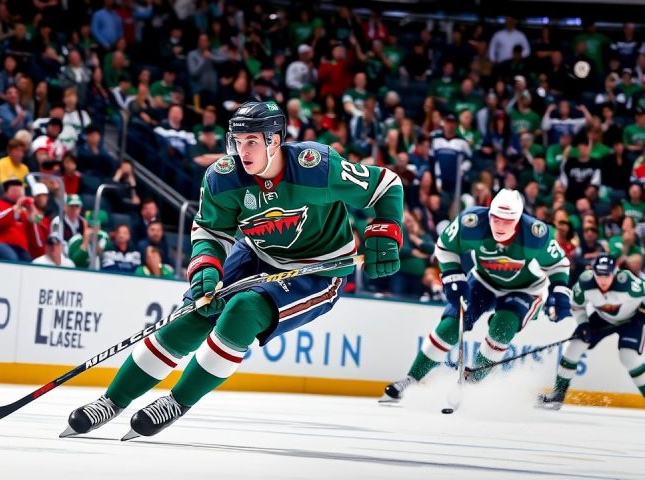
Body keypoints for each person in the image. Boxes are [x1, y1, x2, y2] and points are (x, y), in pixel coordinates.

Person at [63, 101, 404, 439]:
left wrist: (386, 229)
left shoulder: (317, 167)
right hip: (255, 253)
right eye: (238, 142)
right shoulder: (223, 177)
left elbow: (386, 184)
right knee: (193, 314)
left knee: (243, 311)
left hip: (316, 271)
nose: (243, 151)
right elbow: (211, 231)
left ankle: (177, 402)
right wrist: (206, 266)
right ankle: (111, 401)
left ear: (274, 140)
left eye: (252, 141)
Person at [380, 188, 572, 403]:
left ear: (518, 220)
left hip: (526, 288)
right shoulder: (472, 223)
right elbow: (444, 247)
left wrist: (560, 292)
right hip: (483, 279)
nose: (500, 226)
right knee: (451, 324)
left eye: (507, 221)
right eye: (496, 219)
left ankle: (471, 386)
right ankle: (410, 379)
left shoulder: (534, 234)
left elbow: (559, 264)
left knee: (503, 326)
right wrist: (452, 274)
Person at [539, 254, 645, 409]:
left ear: (615, 272)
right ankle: (557, 396)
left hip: (632, 320)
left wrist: (642, 315)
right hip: (603, 319)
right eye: (599, 275)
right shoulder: (585, 283)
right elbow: (577, 306)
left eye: (607, 275)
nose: (602, 280)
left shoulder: (627, 282)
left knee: (628, 357)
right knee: (573, 347)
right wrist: (583, 323)